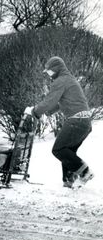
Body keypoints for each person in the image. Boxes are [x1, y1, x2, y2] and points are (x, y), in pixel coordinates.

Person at [24, 56, 93, 188]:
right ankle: (68, 181)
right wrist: (49, 112)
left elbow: (50, 100)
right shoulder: (69, 79)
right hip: (84, 123)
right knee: (67, 152)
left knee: (59, 150)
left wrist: (35, 112)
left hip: (76, 121)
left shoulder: (60, 81)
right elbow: (62, 102)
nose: (48, 74)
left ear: (56, 69)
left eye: (49, 71)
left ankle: (85, 172)